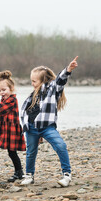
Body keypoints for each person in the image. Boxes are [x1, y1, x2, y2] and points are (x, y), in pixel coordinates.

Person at [20, 57, 78, 187]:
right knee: (30, 152)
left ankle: (67, 174)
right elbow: (26, 111)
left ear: (43, 80)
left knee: (60, 145)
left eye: (34, 81)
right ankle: (29, 175)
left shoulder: (51, 89)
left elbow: (60, 80)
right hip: (31, 128)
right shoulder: (32, 95)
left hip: (47, 127)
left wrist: (68, 69)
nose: (32, 83)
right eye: (31, 81)